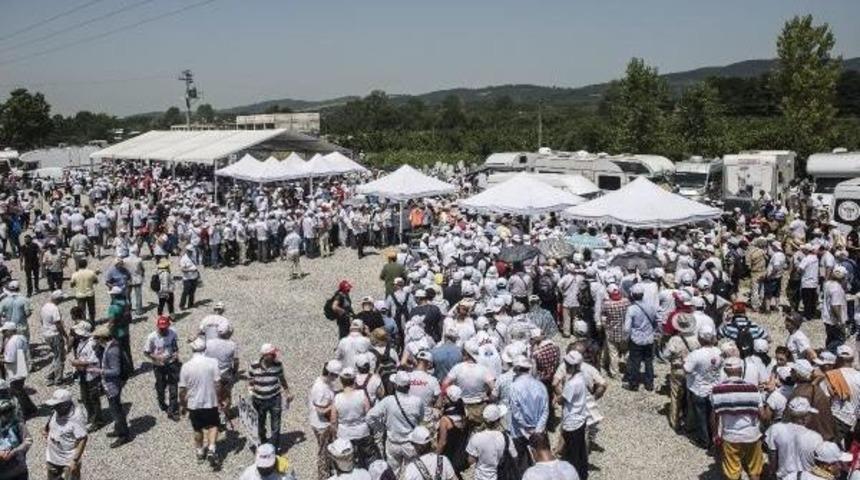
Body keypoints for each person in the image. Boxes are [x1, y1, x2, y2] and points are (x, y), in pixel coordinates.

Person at [710, 356, 764, 480]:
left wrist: (715, 434)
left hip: (730, 436)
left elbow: (714, 415)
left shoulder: (717, 390)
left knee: (732, 472)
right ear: (741, 370)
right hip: (752, 434)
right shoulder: (753, 389)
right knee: (755, 471)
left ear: (725, 371)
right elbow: (762, 414)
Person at [366, 371, 424, 473]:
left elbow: (369, 417)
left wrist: (380, 427)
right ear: (409, 386)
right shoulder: (417, 401)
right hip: (410, 444)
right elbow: (420, 419)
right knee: (411, 472)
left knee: (393, 472)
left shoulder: (388, 401)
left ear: (396, 385)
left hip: (393, 443)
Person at [179, 338, 222, 468]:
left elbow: (182, 389)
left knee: (197, 428)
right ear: (205, 349)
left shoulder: (186, 366)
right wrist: (219, 398)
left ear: (192, 349)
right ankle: (212, 448)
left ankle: (199, 451)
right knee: (213, 425)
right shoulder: (213, 362)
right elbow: (218, 383)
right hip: (210, 400)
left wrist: (183, 404)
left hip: (194, 403)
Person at [764, 397, 823, 479]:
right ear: (804, 418)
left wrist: (772, 473)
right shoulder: (816, 437)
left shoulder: (775, 429)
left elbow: (772, 456)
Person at [249, 343, 293, 451]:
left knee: (276, 425)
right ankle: (263, 444)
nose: (275, 356)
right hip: (258, 400)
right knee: (260, 424)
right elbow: (251, 380)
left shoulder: (277, 365)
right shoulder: (254, 365)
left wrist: (287, 392)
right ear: (264, 355)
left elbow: (282, 379)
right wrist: (251, 393)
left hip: (275, 398)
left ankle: (274, 447)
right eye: (272, 354)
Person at [507, 356, 547, 474]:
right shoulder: (540, 385)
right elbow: (545, 410)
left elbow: (516, 412)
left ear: (517, 369)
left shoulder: (514, 387)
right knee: (541, 460)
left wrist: (527, 427)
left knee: (523, 464)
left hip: (519, 432)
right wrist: (538, 428)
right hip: (539, 430)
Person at [92, 325, 130, 447]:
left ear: (103, 338)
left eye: (97, 338)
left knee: (116, 410)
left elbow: (115, 371)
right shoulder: (110, 346)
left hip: (113, 385)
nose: (95, 340)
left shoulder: (112, 350)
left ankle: (123, 435)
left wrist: (99, 371)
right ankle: (119, 429)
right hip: (110, 385)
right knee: (115, 409)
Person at [684, 325, 722, 449]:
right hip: (714, 388)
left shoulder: (696, 354)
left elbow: (687, 369)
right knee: (713, 416)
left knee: (701, 416)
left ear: (700, 338)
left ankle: (704, 440)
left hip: (699, 389)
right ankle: (714, 437)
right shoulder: (719, 352)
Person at [332, 367, 378, 468]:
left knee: (348, 461)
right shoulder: (361, 394)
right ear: (354, 379)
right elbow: (369, 414)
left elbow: (333, 420)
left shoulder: (337, 398)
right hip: (362, 432)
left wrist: (336, 433)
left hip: (344, 434)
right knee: (368, 459)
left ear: (341, 381)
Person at [43, 389, 87, 480]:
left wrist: (74, 461)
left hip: (68, 461)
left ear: (66, 405)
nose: (54, 408)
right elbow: (49, 424)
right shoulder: (57, 411)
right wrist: (46, 431)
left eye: (57, 405)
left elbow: (83, 439)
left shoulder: (76, 417)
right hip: (52, 457)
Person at [143, 315, 181, 421]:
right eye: (161, 328)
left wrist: (176, 353)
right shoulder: (151, 337)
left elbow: (175, 346)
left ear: (168, 326)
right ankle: (161, 401)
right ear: (157, 326)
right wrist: (156, 358)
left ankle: (172, 410)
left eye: (165, 328)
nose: (163, 330)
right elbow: (146, 352)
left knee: (173, 386)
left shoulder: (173, 333)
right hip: (159, 366)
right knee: (161, 386)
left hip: (172, 363)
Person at [466, 403, 518, 480]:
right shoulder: (506, 438)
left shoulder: (476, 437)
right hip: (501, 476)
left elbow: (471, 460)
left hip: (480, 477)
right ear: (498, 420)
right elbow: (515, 456)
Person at [308, 360, 341, 480]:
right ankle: (323, 476)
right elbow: (321, 410)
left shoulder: (325, 383)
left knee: (328, 449)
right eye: (336, 375)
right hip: (321, 425)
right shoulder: (320, 388)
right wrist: (337, 404)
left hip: (323, 424)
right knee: (324, 453)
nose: (337, 378)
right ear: (330, 374)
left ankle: (329, 471)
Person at [69, 321, 104, 431]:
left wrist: (77, 363)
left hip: (91, 374)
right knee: (85, 397)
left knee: (93, 398)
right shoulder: (81, 342)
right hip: (83, 374)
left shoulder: (92, 344)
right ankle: (91, 416)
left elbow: (93, 360)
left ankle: (97, 421)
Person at [560, 351, 589, 480]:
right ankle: (583, 474)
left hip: (572, 421)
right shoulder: (581, 377)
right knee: (581, 451)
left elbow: (563, 399)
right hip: (581, 417)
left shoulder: (572, 384)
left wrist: (556, 397)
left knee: (572, 454)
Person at [623, 284, 658, 392]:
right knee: (648, 361)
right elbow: (656, 321)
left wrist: (625, 339)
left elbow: (627, 328)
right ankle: (649, 384)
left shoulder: (631, 309)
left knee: (635, 362)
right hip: (649, 338)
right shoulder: (651, 306)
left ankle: (633, 384)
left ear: (632, 295)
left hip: (636, 339)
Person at [0, 322, 35, 418]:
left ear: (10, 331)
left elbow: (10, 359)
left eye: (5, 331)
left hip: (16, 370)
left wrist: (2, 359)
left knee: (16, 391)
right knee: (20, 390)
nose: (3, 333)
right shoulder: (21, 337)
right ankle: (31, 409)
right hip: (22, 366)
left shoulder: (12, 342)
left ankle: (26, 412)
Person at [41, 290, 68, 386]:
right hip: (54, 335)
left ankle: (50, 375)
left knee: (56, 356)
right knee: (60, 358)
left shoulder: (45, 307)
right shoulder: (54, 309)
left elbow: (41, 320)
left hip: (46, 334)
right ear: (58, 299)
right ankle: (58, 380)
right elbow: (58, 324)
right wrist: (65, 335)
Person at [0, 396, 31, 480]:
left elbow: (28, 441)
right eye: (3, 412)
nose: (6, 414)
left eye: (8, 411)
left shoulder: (17, 423)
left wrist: (14, 452)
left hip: (19, 470)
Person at [179, 245, 200, 310]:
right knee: (185, 292)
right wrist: (191, 270)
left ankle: (190, 304)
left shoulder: (193, 256)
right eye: (190, 251)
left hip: (194, 277)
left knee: (192, 292)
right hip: (187, 278)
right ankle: (182, 305)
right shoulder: (183, 259)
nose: (191, 252)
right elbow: (182, 269)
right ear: (187, 251)